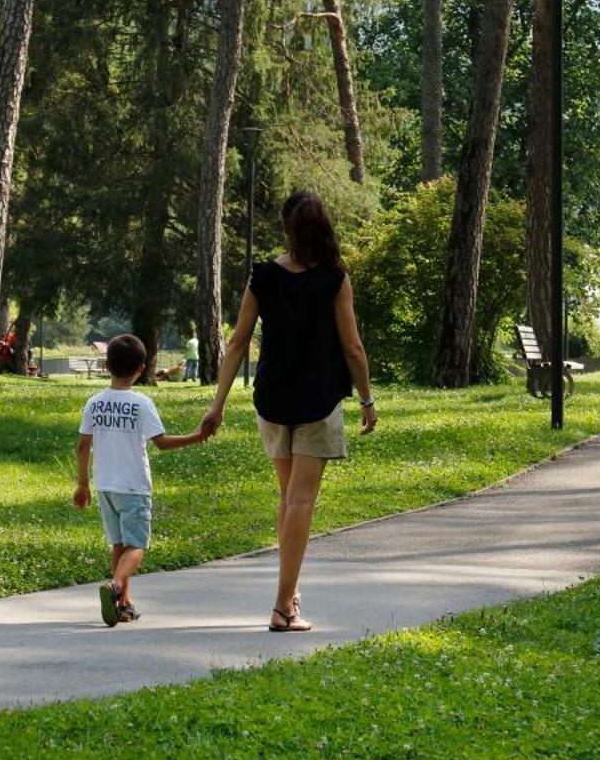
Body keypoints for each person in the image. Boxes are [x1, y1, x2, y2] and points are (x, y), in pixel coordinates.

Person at [202, 192, 375, 632]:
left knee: (288, 500)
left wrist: (217, 404)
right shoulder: (334, 278)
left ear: (286, 227)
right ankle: (283, 606)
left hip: (273, 399)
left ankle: (289, 591)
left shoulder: (263, 276)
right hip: (317, 400)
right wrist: (367, 399)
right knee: (300, 502)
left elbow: (238, 342)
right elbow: (352, 346)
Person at [74, 334, 210, 625]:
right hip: (133, 487)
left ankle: (123, 604)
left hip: (105, 485)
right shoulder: (141, 404)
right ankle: (115, 586)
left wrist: (82, 484)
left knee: (118, 544)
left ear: (107, 365)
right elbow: (160, 443)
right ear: (141, 368)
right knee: (137, 546)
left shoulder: (94, 403)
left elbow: (83, 445)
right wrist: (196, 437)